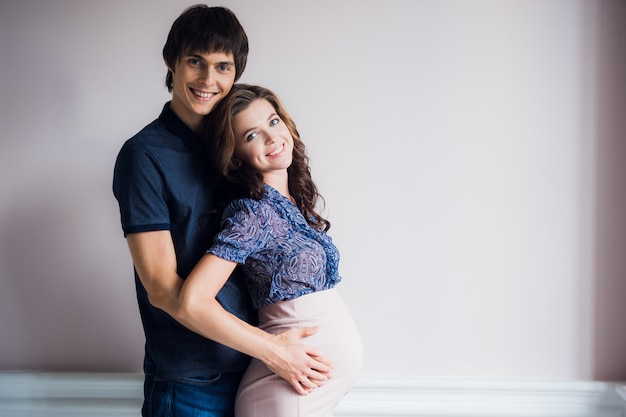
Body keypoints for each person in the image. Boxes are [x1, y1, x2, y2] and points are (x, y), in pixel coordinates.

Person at [113, 6, 331, 417]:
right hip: (193, 380)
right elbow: (162, 289)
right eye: (195, 61)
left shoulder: (237, 148)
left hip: (256, 369)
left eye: (222, 66)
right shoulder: (144, 156)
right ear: (171, 61)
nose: (208, 80)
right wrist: (271, 349)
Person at [178, 83, 364, 417]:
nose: (271, 137)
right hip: (285, 396)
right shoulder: (255, 213)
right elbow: (192, 301)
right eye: (252, 135)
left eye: (273, 122)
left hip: (306, 394)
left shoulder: (295, 202)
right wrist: (272, 350)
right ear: (235, 157)